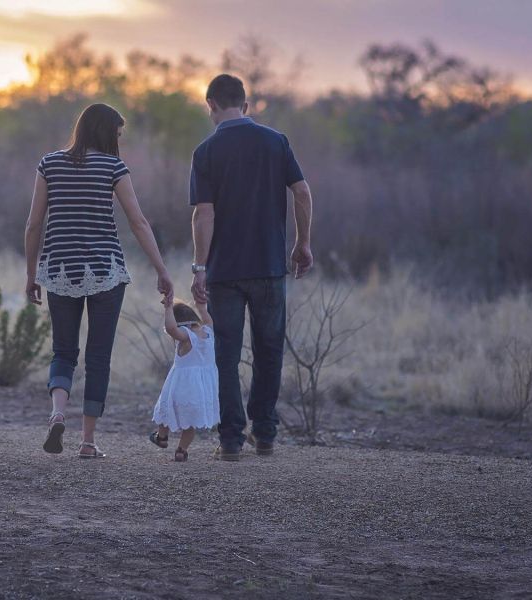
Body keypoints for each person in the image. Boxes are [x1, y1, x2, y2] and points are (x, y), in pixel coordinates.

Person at [24, 103, 174, 459]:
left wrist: (32, 274)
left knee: (63, 351)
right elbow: (138, 222)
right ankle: (88, 442)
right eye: (118, 134)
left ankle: (58, 412)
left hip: (59, 269)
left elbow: (33, 224)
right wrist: (161, 269)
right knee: (98, 357)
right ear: (107, 133)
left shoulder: (49, 164)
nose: (119, 141)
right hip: (106, 270)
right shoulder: (113, 167)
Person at [189, 74, 315, 461]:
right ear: (245, 105)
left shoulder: (206, 151)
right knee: (269, 349)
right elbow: (302, 192)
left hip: (225, 271)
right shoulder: (276, 142)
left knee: (225, 355)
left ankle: (230, 440)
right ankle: (265, 434)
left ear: (210, 105)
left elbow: (203, 214)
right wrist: (302, 243)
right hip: (269, 266)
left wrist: (199, 267)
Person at [149, 298, 220, 462]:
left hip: (181, 386)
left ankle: (162, 437)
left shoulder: (186, 336)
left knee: (166, 410)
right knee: (190, 423)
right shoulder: (208, 332)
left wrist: (168, 309)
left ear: (181, 324)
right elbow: (207, 318)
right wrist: (201, 306)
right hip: (201, 390)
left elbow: (171, 328)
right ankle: (181, 450)